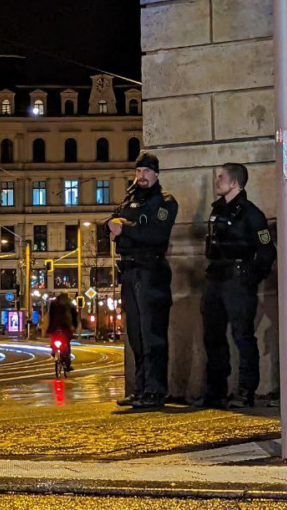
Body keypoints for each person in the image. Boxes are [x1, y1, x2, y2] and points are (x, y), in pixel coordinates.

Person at [108, 151, 178, 409]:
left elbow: (155, 234)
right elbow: (111, 223)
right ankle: (140, 389)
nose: (142, 176)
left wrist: (125, 228)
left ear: (156, 174)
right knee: (136, 335)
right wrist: (126, 228)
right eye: (139, 171)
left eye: (147, 171)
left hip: (151, 271)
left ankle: (155, 389)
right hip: (129, 271)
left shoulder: (165, 201)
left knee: (152, 334)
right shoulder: (130, 199)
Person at [201, 163, 275, 409]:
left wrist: (249, 278)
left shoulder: (251, 214)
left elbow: (266, 252)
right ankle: (216, 391)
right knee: (213, 336)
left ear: (235, 183)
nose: (217, 181)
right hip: (215, 278)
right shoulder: (218, 210)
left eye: (221, 177)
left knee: (242, 336)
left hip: (237, 280)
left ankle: (245, 391)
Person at [45, 293, 78, 371]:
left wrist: (49, 329)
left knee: (54, 339)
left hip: (55, 326)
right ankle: (67, 363)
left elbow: (51, 316)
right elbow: (74, 316)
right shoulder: (70, 303)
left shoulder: (54, 303)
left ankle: (54, 351)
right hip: (66, 327)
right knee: (67, 343)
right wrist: (74, 327)